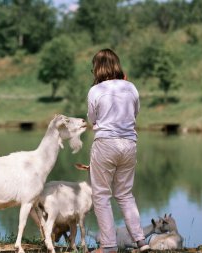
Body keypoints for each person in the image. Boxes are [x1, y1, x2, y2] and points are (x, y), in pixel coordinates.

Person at [87, 49, 150, 253]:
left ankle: (109, 245)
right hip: (129, 144)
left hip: (105, 144)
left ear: (97, 68)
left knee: (102, 195)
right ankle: (141, 241)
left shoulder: (95, 90)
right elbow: (135, 112)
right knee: (125, 194)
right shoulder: (131, 87)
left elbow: (91, 119)